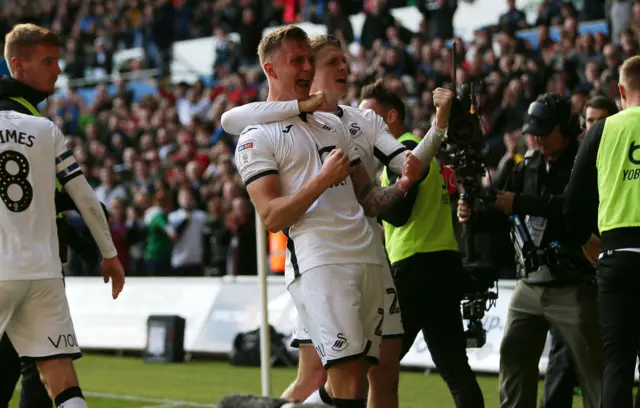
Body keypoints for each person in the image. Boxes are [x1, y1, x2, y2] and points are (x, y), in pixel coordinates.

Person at [222, 34, 445, 408]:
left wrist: (404, 185)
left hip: (370, 258)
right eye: (298, 61)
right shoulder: (254, 136)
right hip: (322, 261)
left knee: (370, 380)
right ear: (270, 69)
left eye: (310, 59)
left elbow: (367, 197)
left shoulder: (334, 124)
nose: (308, 68)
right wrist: (322, 179)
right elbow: (272, 216)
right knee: (347, 385)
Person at [0, 23, 125, 408]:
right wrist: (110, 254)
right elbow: (87, 200)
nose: (58, 70)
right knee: (61, 379)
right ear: (17, 67)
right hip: (44, 272)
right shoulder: (44, 128)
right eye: (49, 61)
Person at [457, 93, 603, 408]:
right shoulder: (529, 165)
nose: (536, 137)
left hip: (574, 282)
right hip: (530, 282)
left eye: (544, 129)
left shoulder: (585, 161)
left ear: (566, 127)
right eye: (533, 130)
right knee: (513, 359)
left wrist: (516, 202)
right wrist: (476, 216)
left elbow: (573, 211)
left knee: (595, 373)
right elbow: (505, 215)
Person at [360, 79, 485, 408]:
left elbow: (399, 214)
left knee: (374, 366)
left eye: (366, 117)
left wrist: (368, 205)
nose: (359, 125)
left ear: (389, 117)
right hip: (444, 265)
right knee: (456, 369)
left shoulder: (402, 153)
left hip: (414, 269)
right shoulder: (429, 152)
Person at [564, 55, 640, 408]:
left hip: (615, 257)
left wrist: (588, 243)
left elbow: (571, 205)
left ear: (620, 90)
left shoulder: (601, 131)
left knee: (617, 365)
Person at [540, 94, 618, 408]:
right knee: (561, 363)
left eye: (600, 121)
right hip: (577, 278)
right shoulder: (573, 163)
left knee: (606, 365)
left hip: (615, 275)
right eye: (589, 121)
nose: (594, 128)